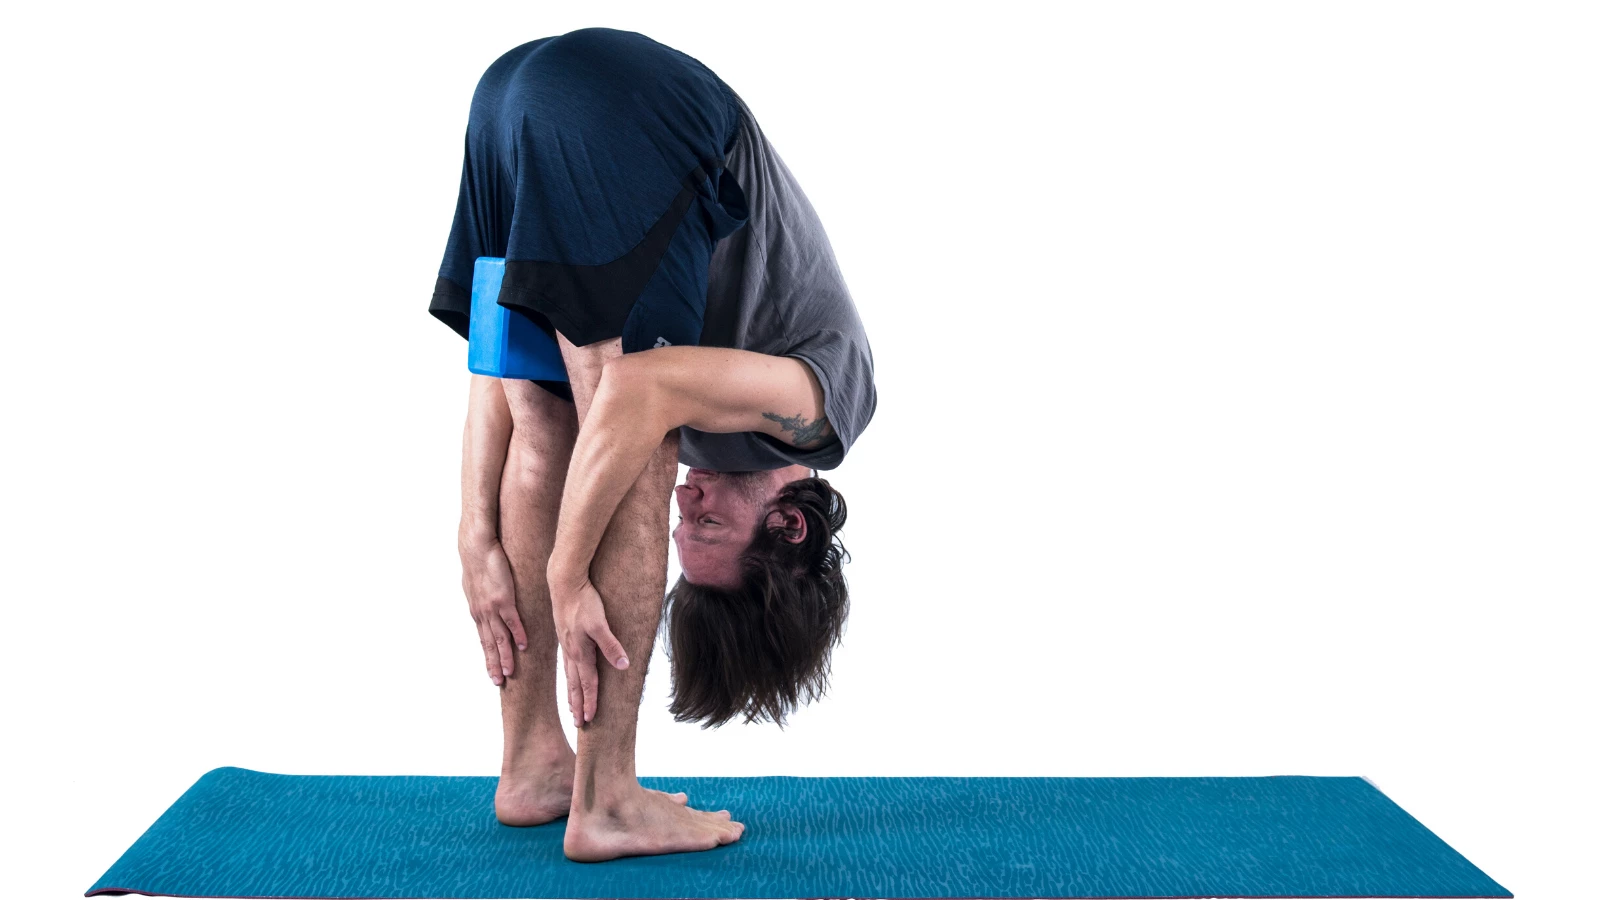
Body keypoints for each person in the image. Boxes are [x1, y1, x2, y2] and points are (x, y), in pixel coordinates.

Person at [427, 27, 877, 862]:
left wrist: (474, 533)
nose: (687, 510)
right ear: (790, 525)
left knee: (551, 420)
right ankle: (608, 802)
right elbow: (641, 388)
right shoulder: (827, 405)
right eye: (709, 529)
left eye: (684, 533)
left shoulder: (737, 440)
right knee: (635, 429)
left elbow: (505, 387)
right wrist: (566, 574)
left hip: (508, 100)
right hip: (635, 111)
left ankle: (534, 767)